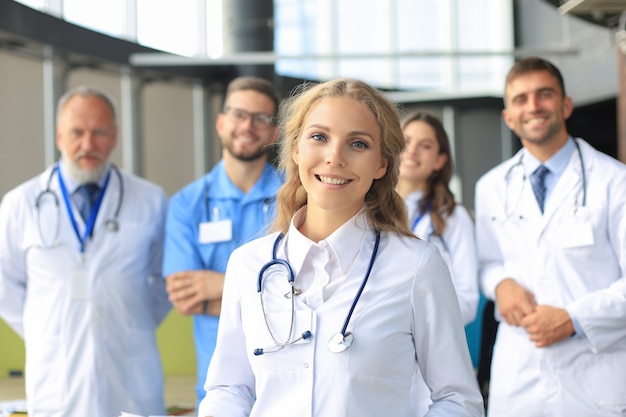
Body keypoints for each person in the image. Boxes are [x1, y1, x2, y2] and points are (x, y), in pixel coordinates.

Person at [198, 78, 484, 417]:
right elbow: (230, 389)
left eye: (358, 144)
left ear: (382, 164)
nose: (334, 158)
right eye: (319, 137)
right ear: (295, 149)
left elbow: (458, 400)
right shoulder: (249, 265)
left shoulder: (416, 266)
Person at [0, 86, 171, 417]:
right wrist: (47, 328)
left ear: (115, 136)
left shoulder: (150, 200)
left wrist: (125, 320)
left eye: (99, 133)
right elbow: (4, 286)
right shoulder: (20, 204)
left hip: (130, 372)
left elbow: (163, 283)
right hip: (55, 375)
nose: (88, 145)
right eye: (77, 133)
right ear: (59, 135)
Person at [474, 56, 626, 416]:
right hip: (520, 375)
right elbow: (486, 263)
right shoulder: (491, 187)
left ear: (565, 104)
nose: (534, 106)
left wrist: (574, 318)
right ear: (509, 117)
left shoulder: (615, 181)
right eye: (521, 99)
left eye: (544, 94)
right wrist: (500, 284)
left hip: (594, 372)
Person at [162, 76, 283, 407]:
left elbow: (305, 291)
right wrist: (272, 297)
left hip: (286, 389)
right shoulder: (187, 203)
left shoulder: (296, 197)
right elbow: (184, 297)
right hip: (216, 391)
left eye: (261, 118)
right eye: (238, 114)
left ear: (274, 133)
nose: (247, 125)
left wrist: (216, 287)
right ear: (220, 122)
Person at [397, 110, 480, 416]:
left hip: (431, 360)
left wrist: (414, 323)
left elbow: (468, 298)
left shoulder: (453, 218)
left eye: (426, 145)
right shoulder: (367, 213)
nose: (413, 151)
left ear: (441, 160)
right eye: (406, 141)